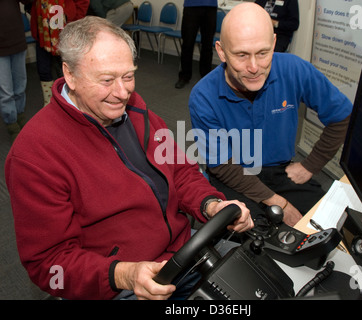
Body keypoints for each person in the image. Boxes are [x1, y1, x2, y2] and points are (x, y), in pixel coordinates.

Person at [5, 16, 253, 300]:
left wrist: (211, 204)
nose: (123, 93)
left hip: (185, 252)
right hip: (119, 285)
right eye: (107, 80)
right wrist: (123, 273)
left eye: (128, 76)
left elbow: (181, 172)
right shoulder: (35, 154)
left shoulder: (136, 109)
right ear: (70, 75)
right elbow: (49, 265)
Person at [189, 3, 352, 227]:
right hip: (234, 176)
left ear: (274, 44)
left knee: (332, 224)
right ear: (221, 51)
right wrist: (279, 204)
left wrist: (311, 166)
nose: (254, 67)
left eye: (263, 53)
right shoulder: (203, 96)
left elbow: (341, 116)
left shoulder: (295, 69)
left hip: (280, 171)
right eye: (241, 55)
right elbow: (222, 166)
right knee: (251, 242)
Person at [29, 0, 89, 106]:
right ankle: (49, 103)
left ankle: (70, 103)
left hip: (65, 30)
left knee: (67, 69)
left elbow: (83, 3)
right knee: (43, 69)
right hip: (43, 31)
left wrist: (73, 19)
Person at [0, 0, 31, 142]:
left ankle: (20, 117)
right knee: (6, 92)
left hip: (17, 40)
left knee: (20, 86)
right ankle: (12, 126)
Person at [175, 0, 218, 89]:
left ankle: (206, 77)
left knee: (207, 45)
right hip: (191, 6)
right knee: (187, 44)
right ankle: (184, 76)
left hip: (210, 6)